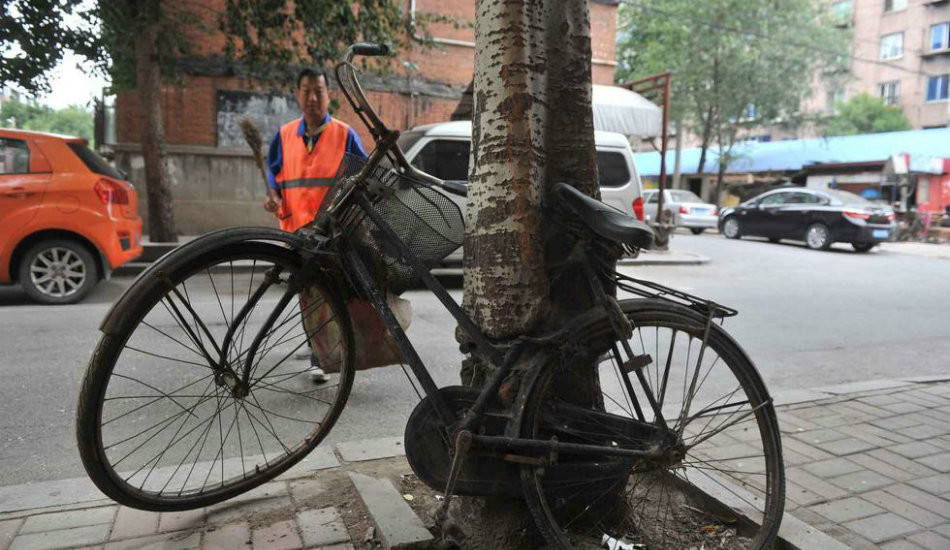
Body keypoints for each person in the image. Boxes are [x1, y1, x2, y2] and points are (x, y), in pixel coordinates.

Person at [264, 67, 368, 382]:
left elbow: (363, 175)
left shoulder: (345, 134)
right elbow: (273, 174)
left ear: (328, 95)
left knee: (334, 295)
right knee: (308, 296)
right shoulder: (283, 136)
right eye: (306, 91)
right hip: (297, 233)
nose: (312, 98)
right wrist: (273, 196)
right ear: (297, 94)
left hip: (333, 234)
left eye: (318, 91)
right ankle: (318, 355)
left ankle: (332, 354)